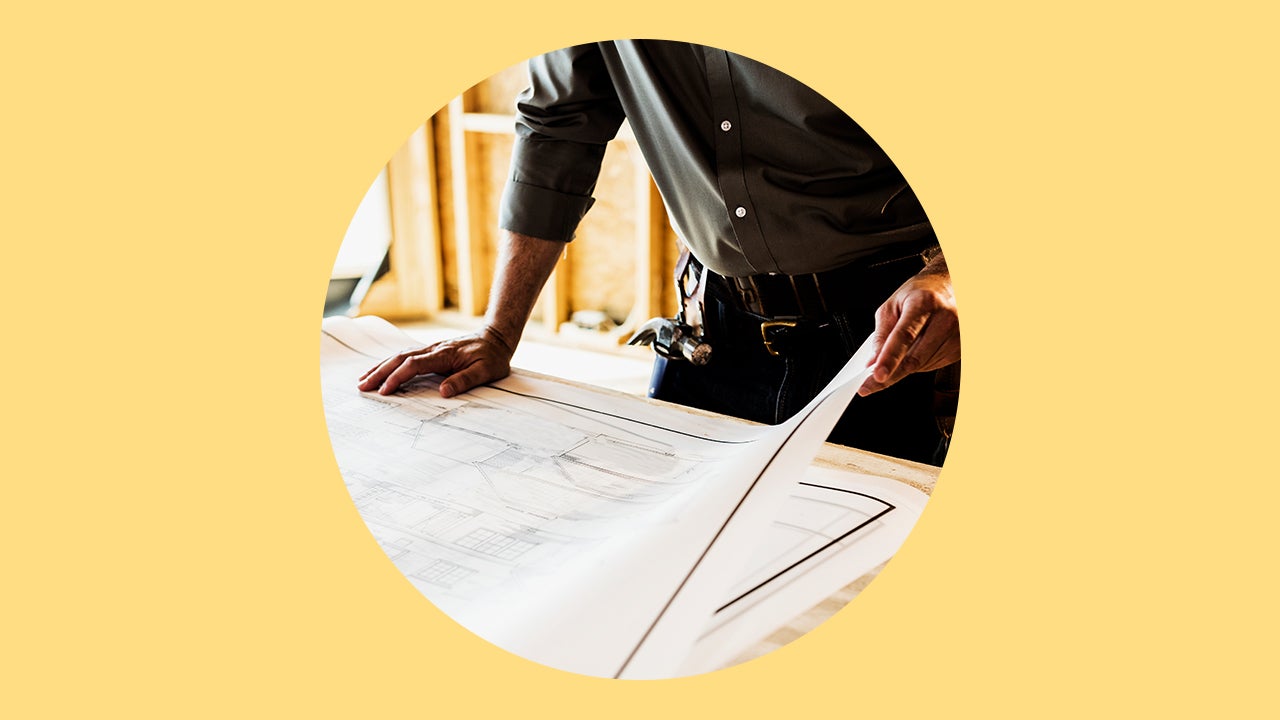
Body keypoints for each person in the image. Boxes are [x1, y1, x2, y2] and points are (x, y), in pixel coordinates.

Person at [358, 40, 960, 465]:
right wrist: (497, 332)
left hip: (901, 333)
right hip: (712, 330)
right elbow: (559, 125)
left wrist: (955, 276)